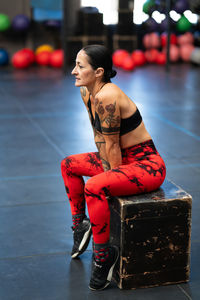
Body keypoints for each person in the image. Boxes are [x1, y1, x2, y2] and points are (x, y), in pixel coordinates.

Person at [61, 44, 166, 291]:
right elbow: (100, 138)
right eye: (75, 65)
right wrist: (107, 169)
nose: (73, 71)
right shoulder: (88, 92)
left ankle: (104, 256)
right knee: (68, 165)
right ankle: (80, 225)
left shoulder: (108, 96)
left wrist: (109, 180)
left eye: (80, 66)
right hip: (118, 155)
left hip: (146, 164)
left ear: (98, 72)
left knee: (95, 187)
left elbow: (113, 145)